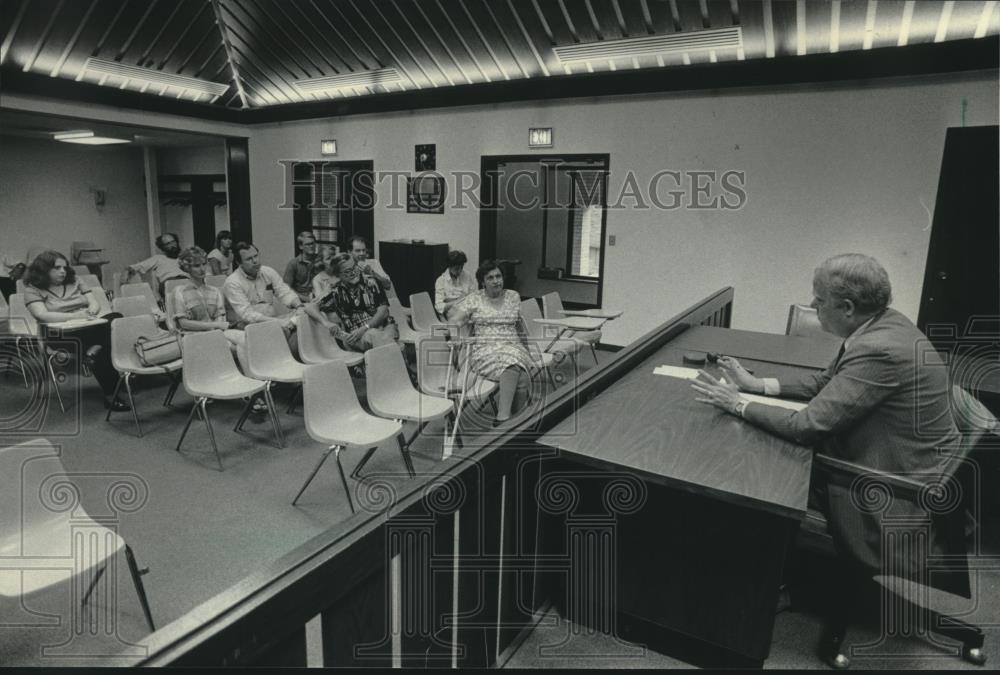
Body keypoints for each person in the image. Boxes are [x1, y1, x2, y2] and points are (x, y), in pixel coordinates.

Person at [690, 253, 960, 583]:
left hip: (888, 498)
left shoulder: (880, 349)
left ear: (847, 307)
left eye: (819, 300)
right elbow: (825, 382)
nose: (812, 305)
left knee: (752, 475)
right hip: (897, 463)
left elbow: (807, 427)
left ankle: (745, 585)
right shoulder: (885, 324)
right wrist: (755, 384)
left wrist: (736, 404)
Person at [23, 250, 128, 411]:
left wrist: (92, 311)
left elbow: (94, 303)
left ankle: (97, 359)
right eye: (57, 268)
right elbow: (42, 315)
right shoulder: (32, 289)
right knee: (106, 338)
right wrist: (75, 316)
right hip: (57, 334)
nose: (63, 271)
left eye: (64, 268)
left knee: (116, 318)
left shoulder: (76, 280)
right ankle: (111, 388)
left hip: (85, 325)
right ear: (43, 269)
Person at [449, 260, 539, 425]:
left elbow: (519, 326)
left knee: (522, 376)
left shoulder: (513, 296)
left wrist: (529, 351)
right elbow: (454, 321)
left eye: (498, 276)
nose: (496, 281)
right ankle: (503, 419)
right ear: (482, 282)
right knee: (513, 364)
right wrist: (456, 337)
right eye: (490, 278)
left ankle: (514, 425)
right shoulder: (474, 298)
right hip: (485, 349)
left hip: (513, 345)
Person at [303, 253, 397, 352]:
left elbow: (384, 311)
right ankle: (399, 362)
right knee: (377, 338)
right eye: (347, 271)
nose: (353, 273)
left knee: (381, 338)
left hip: (385, 328)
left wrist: (365, 327)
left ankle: (393, 362)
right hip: (356, 337)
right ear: (338, 275)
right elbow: (309, 307)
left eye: (354, 268)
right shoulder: (335, 291)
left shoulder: (371, 282)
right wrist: (326, 323)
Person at [223, 242, 304, 336]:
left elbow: (285, 292)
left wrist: (299, 306)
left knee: (305, 318)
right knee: (288, 331)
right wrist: (279, 322)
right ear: (239, 263)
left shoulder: (267, 272)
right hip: (244, 327)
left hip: (272, 320)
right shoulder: (232, 282)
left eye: (256, 256)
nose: (255, 261)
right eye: (249, 259)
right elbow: (247, 315)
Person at [434, 250, 476, 318]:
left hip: (467, 306)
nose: (459, 271)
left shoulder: (467, 275)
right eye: (456, 269)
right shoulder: (441, 280)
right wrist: (457, 301)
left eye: (461, 267)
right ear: (449, 267)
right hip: (452, 310)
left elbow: (473, 294)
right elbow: (439, 306)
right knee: (462, 316)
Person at [283, 231, 320, 303]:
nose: (311, 246)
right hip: (301, 299)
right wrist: (304, 298)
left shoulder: (320, 260)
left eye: (313, 243)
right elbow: (286, 288)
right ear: (301, 246)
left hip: (319, 297)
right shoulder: (293, 263)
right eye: (308, 244)